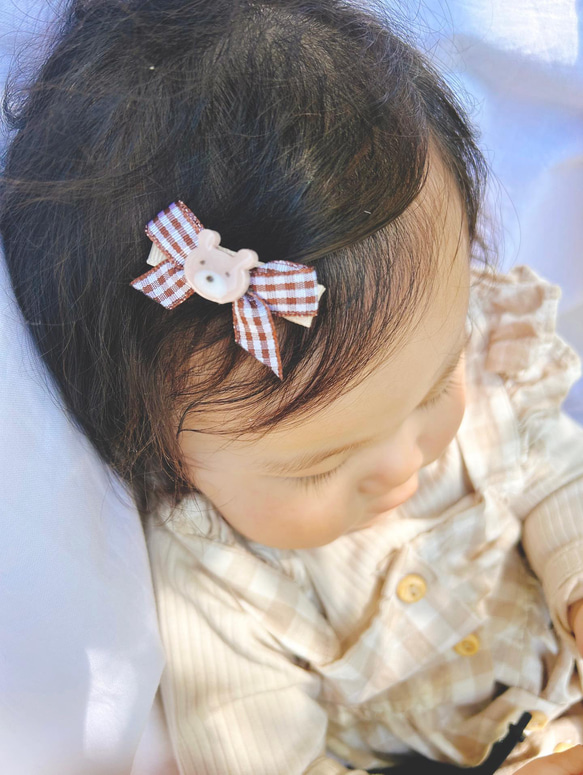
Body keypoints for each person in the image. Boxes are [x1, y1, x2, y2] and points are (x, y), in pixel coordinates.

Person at [1, 0, 583, 773]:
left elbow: (554, 474)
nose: (401, 465)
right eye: (318, 465)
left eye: (434, 385)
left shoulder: (478, 355)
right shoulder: (218, 583)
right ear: (156, 448)